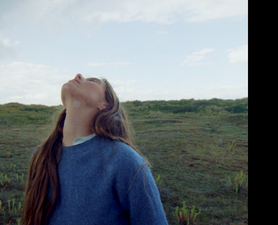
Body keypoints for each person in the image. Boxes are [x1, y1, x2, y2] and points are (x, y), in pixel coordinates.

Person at [22, 74, 168, 225]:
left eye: (92, 81)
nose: (78, 76)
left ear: (105, 104)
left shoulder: (123, 160)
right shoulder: (41, 156)